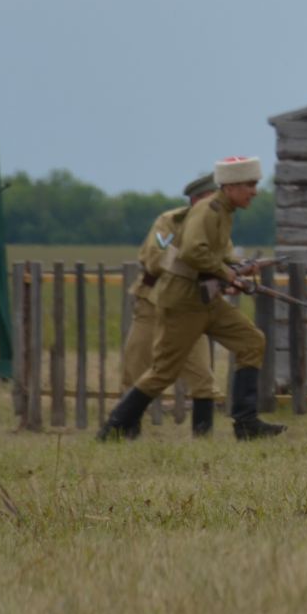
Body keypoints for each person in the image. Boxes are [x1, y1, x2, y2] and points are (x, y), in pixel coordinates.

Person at [98, 156, 283, 442]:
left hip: (203, 299)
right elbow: (183, 254)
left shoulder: (223, 214)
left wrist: (235, 270)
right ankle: (117, 428)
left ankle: (243, 424)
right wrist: (227, 274)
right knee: (157, 371)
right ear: (226, 187)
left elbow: (218, 256)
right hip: (168, 300)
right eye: (250, 184)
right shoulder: (185, 217)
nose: (255, 191)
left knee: (248, 344)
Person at [117, 172, 224, 437]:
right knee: (136, 369)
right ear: (197, 199)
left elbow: (223, 264)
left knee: (202, 378)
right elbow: (155, 258)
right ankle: (124, 433)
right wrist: (195, 264)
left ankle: (204, 436)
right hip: (153, 304)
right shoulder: (170, 222)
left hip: (189, 310)